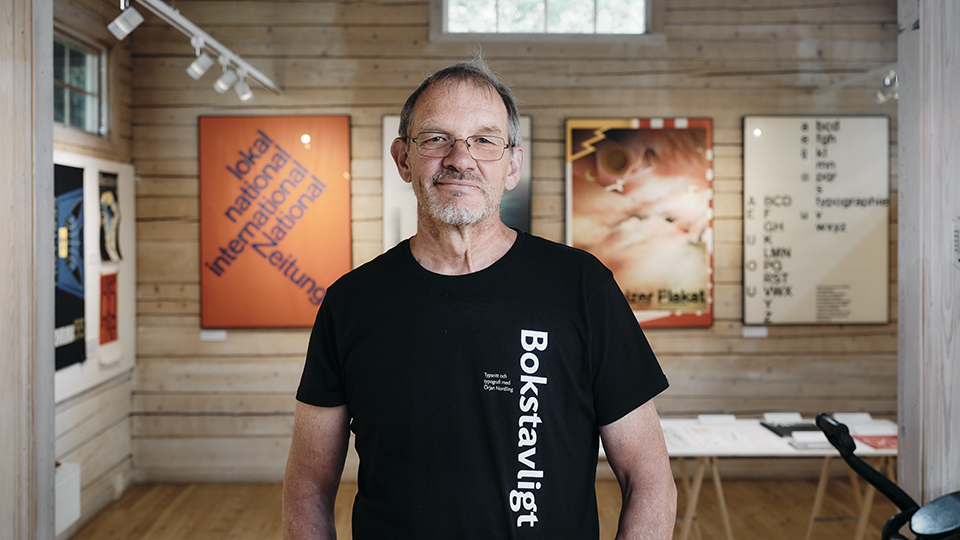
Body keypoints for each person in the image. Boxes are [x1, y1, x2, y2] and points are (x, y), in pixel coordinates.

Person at [282, 58, 677, 540]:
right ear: (403, 159)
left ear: (512, 165)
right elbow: (306, 488)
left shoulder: (581, 287)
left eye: (484, 140)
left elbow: (650, 480)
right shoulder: (351, 303)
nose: (460, 159)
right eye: (435, 138)